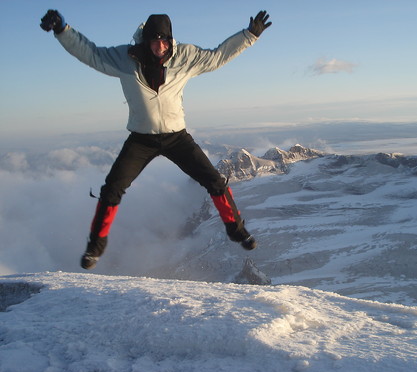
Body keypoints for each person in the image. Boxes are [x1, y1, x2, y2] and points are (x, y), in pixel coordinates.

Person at [40, 9, 272, 270]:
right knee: (112, 189)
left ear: (170, 40)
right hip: (141, 139)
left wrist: (249, 35)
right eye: (153, 40)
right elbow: (91, 54)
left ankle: (237, 231)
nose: (159, 46)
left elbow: (218, 56)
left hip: (177, 138)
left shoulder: (185, 57)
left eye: (164, 40)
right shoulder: (125, 58)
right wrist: (63, 30)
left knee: (215, 182)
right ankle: (95, 246)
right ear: (145, 41)